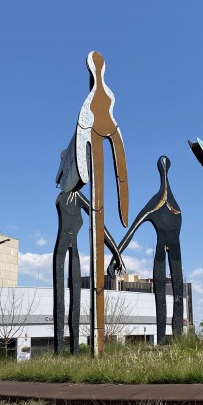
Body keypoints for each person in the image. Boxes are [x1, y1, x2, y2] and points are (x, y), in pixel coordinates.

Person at [53, 138, 123, 354]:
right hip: (62, 249)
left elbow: (100, 225)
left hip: (73, 250)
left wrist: (116, 254)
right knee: (60, 300)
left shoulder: (80, 199)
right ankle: (59, 353)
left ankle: (75, 352)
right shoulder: (61, 198)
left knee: (76, 300)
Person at [109, 156, 183, 344]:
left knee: (177, 294)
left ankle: (178, 339)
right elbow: (131, 231)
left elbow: (131, 231)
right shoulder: (155, 204)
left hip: (174, 253)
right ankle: (163, 338)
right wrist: (115, 258)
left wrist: (115, 258)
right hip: (164, 252)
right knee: (162, 295)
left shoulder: (166, 203)